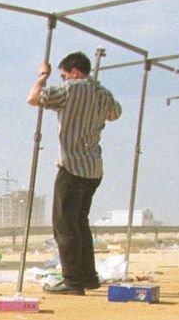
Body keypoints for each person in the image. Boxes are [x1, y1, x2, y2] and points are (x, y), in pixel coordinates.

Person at [27, 51, 122, 295]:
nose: (62, 79)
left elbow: (34, 98)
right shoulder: (103, 93)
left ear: (75, 72)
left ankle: (72, 282)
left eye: (63, 75)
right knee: (80, 224)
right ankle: (88, 277)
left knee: (65, 226)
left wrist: (42, 75)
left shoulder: (70, 89)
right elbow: (115, 114)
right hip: (93, 168)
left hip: (71, 166)